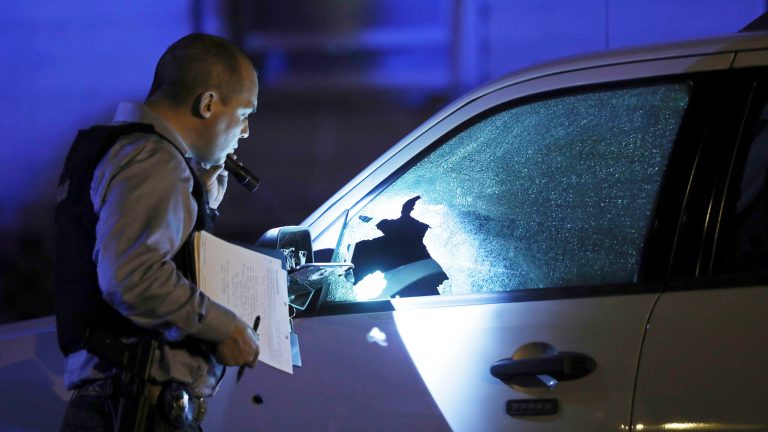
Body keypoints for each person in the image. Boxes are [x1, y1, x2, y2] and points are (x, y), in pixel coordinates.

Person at [54, 33, 260, 431]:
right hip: (137, 405)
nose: (246, 131)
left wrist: (201, 198)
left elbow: (144, 247)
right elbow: (134, 276)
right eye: (244, 113)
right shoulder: (154, 160)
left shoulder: (129, 151)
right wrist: (226, 326)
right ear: (209, 104)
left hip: (122, 401)